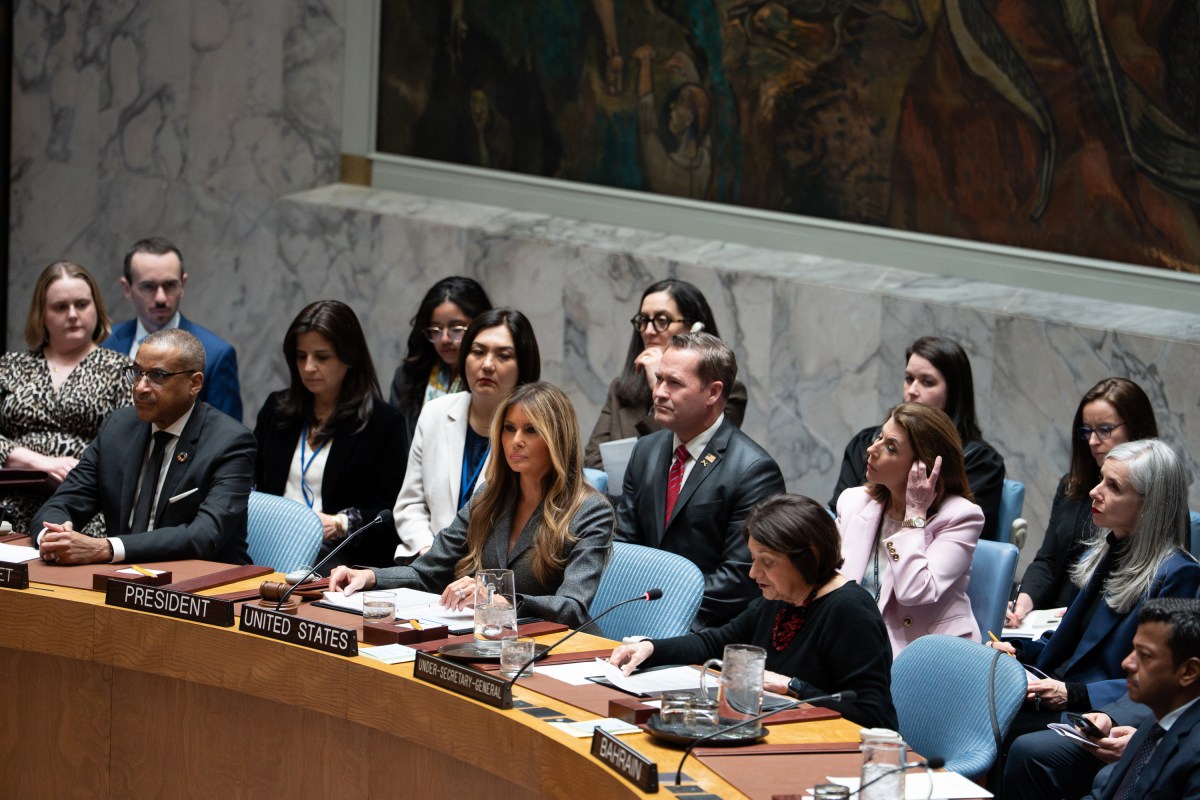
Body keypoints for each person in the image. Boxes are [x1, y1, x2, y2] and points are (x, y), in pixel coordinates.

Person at [329, 382, 613, 628]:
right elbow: (427, 571)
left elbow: (573, 607)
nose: (516, 441)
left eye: (531, 430)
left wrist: (498, 599)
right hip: (488, 638)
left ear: (558, 439)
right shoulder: (489, 496)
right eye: (509, 429)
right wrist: (369, 576)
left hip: (553, 650)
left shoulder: (589, 511)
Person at [609, 494, 899, 729]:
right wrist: (650, 648)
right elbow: (715, 643)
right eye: (753, 559)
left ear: (809, 557)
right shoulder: (782, 596)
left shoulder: (850, 611)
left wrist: (793, 687)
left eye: (767, 562)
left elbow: (873, 717)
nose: (753, 573)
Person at [987, 440, 1200, 739]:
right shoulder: (1101, 551)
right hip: (1053, 687)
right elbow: (1071, 642)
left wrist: (1073, 693)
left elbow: (1160, 678)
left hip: (1096, 709)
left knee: (1001, 728)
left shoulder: (1177, 574)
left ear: (1149, 505)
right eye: (1101, 478)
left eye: (1113, 486)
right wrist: (1019, 651)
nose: (1094, 491)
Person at [34, 329, 256, 565]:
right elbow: (62, 503)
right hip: (122, 578)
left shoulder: (231, 443)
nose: (140, 387)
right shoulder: (118, 427)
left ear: (195, 383)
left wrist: (107, 548)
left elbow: (203, 536)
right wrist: (53, 536)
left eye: (157, 376)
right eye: (137, 373)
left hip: (204, 585)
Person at [615, 331, 784, 630]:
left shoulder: (754, 470)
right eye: (659, 378)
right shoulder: (645, 450)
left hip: (703, 631)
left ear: (713, 392)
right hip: (631, 617)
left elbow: (739, 577)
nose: (659, 392)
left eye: (674, 383)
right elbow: (624, 548)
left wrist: (662, 614)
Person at [253, 301, 409, 570]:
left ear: (349, 358)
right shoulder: (277, 410)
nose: (309, 367)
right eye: (301, 356)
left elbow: (391, 513)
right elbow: (252, 482)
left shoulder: (383, 423)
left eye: (321, 357)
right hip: (268, 546)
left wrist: (340, 523)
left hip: (338, 559)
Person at [393, 308, 541, 563]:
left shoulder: (538, 430)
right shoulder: (435, 413)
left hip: (494, 575)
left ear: (523, 366)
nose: (487, 364)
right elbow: (410, 505)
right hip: (428, 565)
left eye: (503, 356)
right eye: (478, 352)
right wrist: (430, 551)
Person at [1007, 378, 1158, 626]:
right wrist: (1022, 604)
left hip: (1101, 626)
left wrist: (1081, 617)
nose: (1092, 441)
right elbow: (1047, 560)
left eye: (1104, 429)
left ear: (1135, 429)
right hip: (1045, 620)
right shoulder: (1073, 485)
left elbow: (1144, 585)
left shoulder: (1155, 500)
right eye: (1086, 430)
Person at [837, 402, 984, 655]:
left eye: (890, 448)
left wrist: (914, 515)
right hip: (855, 644)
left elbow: (914, 590)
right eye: (880, 437)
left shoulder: (961, 517)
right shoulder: (853, 502)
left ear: (922, 467)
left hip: (925, 656)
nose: (872, 449)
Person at [830, 336, 1006, 540]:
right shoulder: (866, 442)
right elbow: (839, 519)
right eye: (908, 379)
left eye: (927, 382)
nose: (912, 391)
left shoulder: (980, 461)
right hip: (863, 555)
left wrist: (908, 522)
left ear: (954, 392)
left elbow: (961, 538)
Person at [0, 262, 130, 535]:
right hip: (9, 502)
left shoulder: (122, 369)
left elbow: (130, 449)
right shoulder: (10, 365)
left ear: (96, 308)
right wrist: (36, 461)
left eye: (82, 304)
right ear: (42, 314)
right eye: (60, 307)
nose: (73, 314)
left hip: (86, 509)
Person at [584, 279, 747, 470]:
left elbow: (696, 460)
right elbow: (592, 462)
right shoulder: (620, 388)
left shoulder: (723, 390)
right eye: (644, 321)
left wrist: (657, 383)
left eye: (662, 320)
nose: (649, 331)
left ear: (694, 330)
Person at [103, 237, 243, 421]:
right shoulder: (105, 344)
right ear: (127, 288)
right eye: (148, 287)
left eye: (170, 285)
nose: (161, 298)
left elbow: (227, 437)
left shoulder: (215, 355)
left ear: (182, 285)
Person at [1082, 598, 1200, 799]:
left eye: (1145, 655)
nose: (1127, 663)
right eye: (1133, 650)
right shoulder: (1155, 723)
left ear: (1189, 671)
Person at [388, 276, 492, 443]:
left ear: (480, 325)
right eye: (435, 329)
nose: (444, 339)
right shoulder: (409, 376)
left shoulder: (489, 378)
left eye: (456, 328)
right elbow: (393, 442)